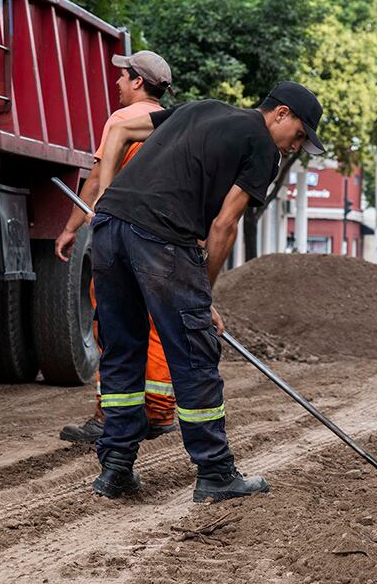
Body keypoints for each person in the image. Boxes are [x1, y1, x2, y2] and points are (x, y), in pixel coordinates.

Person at [89, 81, 324, 502]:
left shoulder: (199, 108)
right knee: (195, 353)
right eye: (301, 135)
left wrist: (105, 198)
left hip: (109, 230)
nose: (295, 146)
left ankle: (116, 469)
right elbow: (223, 225)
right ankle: (215, 472)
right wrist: (205, 298)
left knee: (122, 350)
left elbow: (119, 133)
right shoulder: (262, 146)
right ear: (281, 113)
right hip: (161, 238)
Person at [55, 51, 177, 443]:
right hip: (160, 239)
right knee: (157, 322)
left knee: (112, 322)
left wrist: (71, 227)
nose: (118, 83)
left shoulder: (123, 120)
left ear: (138, 82)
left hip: (121, 239)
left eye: (123, 77)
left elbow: (94, 180)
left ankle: (109, 418)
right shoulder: (170, 125)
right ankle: (158, 413)